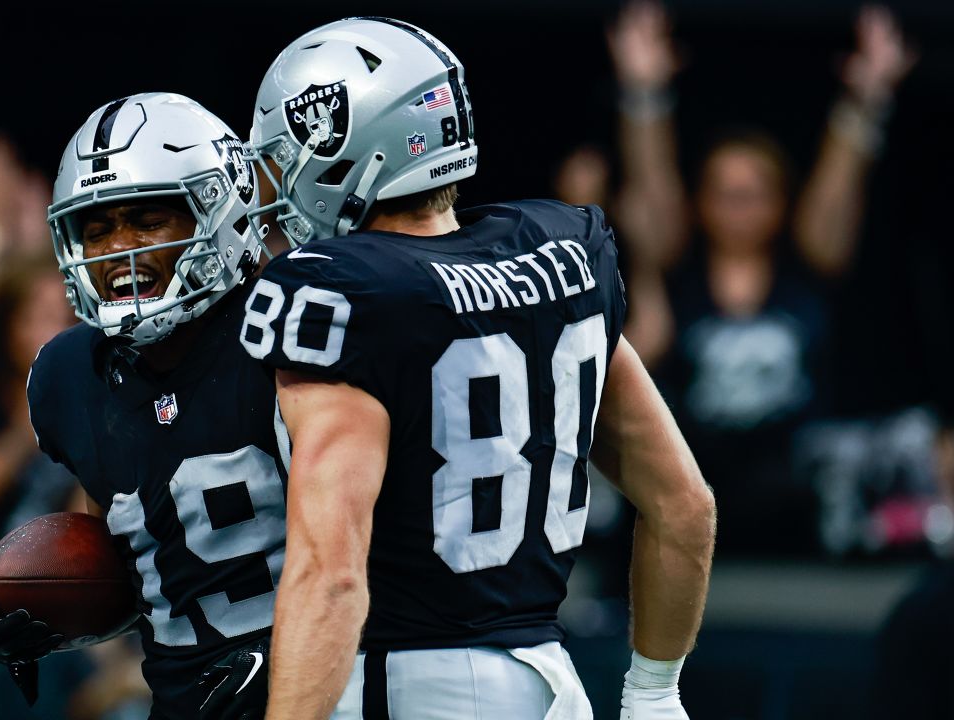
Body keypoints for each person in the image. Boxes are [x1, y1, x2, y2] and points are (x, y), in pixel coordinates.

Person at [241, 17, 715, 719]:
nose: (276, 180)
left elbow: (333, 578)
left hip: (407, 684)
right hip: (549, 682)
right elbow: (685, 506)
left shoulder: (344, 290)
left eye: (288, 153)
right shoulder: (562, 256)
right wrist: (654, 693)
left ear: (352, 148)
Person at [0, 93, 287, 720]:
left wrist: (282, 653)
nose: (120, 249)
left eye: (146, 220)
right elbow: (150, 570)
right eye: (97, 229)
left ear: (218, 214)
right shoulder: (72, 376)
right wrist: (54, 611)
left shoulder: (290, 330)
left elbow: (381, 546)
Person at [608, 2, 916, 553]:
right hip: (691, 479)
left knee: (912, 440)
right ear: (700, 203)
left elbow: (837, 190)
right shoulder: (681, 268)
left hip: (801, 480)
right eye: (726, 193)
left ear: (780, 204)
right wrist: (644, 94)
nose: (740, 206)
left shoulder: (808, 265)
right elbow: (653, 193)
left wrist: (865, 101)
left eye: (755, 194)